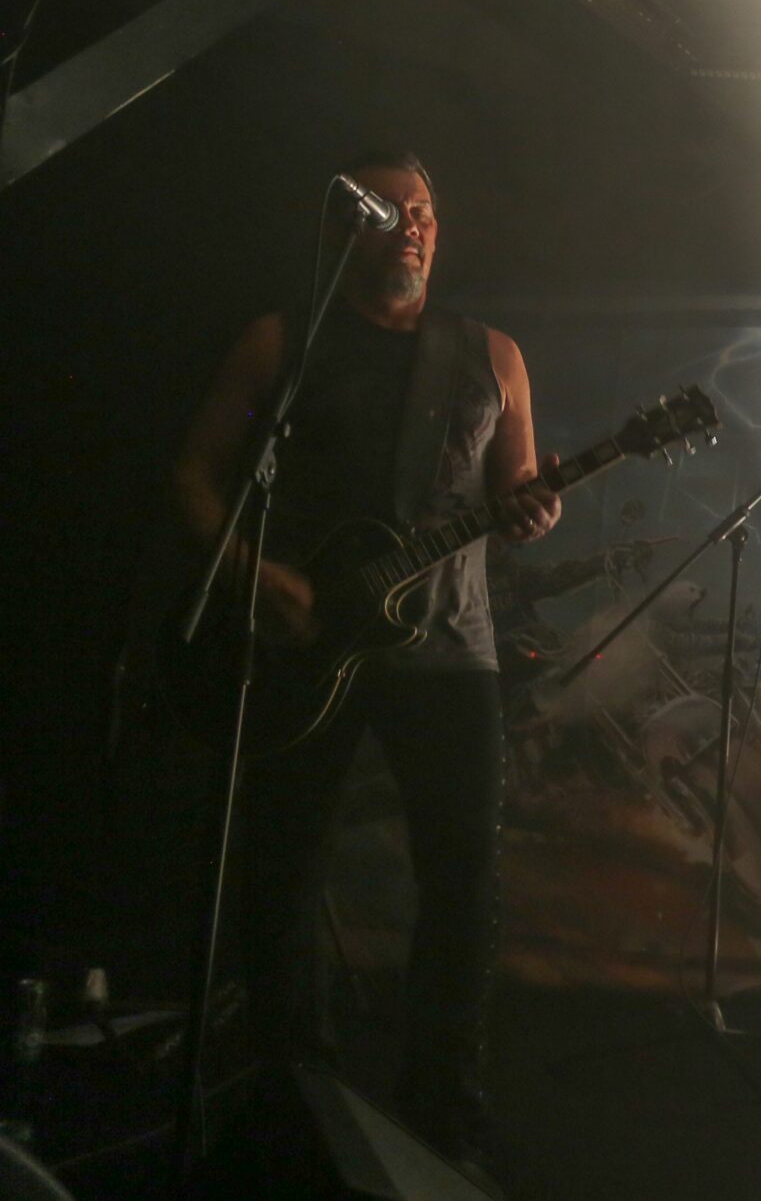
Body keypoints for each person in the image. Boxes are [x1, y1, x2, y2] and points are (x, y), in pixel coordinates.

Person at [170, 152, 560, 1185]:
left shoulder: (492, 354)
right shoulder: (282, 342)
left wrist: (535, 509)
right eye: (391, 209)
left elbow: (519, 487)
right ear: (349, 223)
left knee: (463, 878)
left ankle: (444, 1110)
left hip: (449, 649)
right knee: (284, 864)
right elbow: (196, 478)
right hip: (306, 643)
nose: (415, 225)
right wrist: (258, 577)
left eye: (426, 210)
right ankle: (295, 1091)